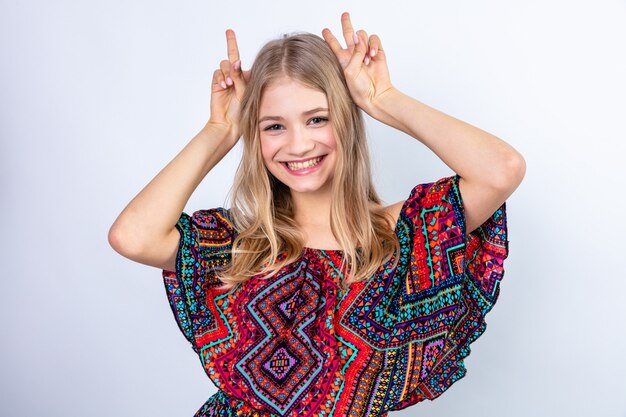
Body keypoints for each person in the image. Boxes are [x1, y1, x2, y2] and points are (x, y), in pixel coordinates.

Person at [109, 12, 525, 417]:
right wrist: (219, 132)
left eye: (317, 119)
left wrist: (383, 99)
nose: (299, 144)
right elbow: (133, 236)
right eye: (274, 126)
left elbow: (500, 169)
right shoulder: (237, 244)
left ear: (345, 121)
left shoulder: (406, 237)